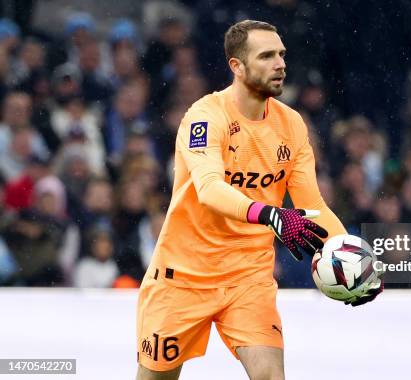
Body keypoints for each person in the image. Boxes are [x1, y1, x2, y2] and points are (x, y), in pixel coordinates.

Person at [136, 20, 382, 380]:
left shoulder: (292, 125)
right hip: (182, 276)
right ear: (237, 66)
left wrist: (348, 259)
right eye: (266, 56)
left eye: (281, 54)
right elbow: (209, 189)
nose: (280, 64)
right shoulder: (204, 117)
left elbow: (312, 204)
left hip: (248, 278)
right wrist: (269, 214)